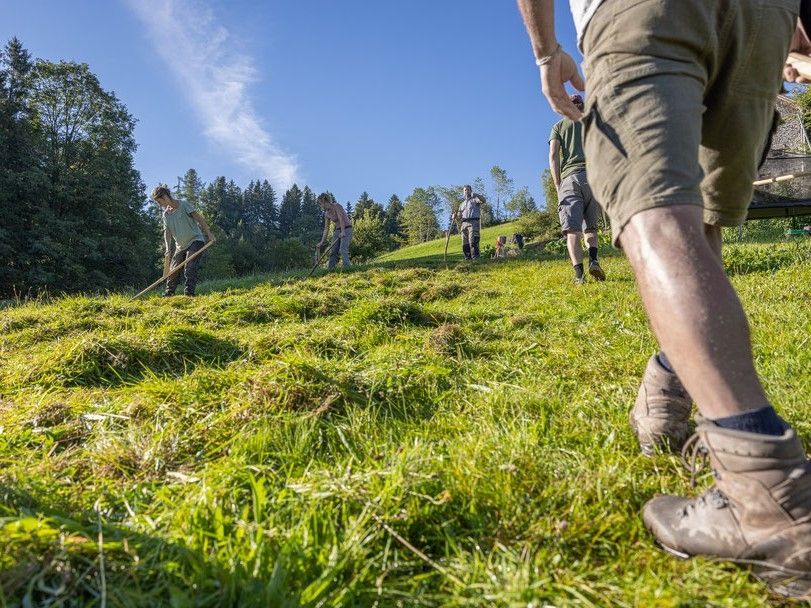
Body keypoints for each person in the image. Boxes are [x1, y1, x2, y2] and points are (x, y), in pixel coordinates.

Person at [517, 0, 810, 598]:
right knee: (701, 221)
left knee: (654, 214)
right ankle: (667, 392)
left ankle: (766, 496)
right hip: (763, 17)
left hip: (644, 11)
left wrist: (547, 52)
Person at [549, 94, 605, 284]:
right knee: (590, 227)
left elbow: (554, 155)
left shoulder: (559, 127)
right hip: (592, 177)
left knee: (572, 230)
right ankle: (594, 260)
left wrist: (557, 183)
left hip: (570, 179)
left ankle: (579, 275)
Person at [151, 184, 214, 297]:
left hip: (195, 240)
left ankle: (189, 294)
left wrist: (209, 234)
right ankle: (169, 293)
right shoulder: (166, 215)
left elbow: (199, 218)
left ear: (165, 197)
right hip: (180, 246)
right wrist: (167, 248)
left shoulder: (184, 205)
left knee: (189, 266)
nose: (159, 205)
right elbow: (167, 232)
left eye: (159, 202)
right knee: (173, 270)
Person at [316, 193, 353, 270]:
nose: (320, 206)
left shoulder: (337, 206)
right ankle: (330, 270)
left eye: (320, 204)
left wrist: (343, 232)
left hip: (347, 228)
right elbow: (326, 228)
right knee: (333, 251)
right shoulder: (326, 214)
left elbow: (341, 218)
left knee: (342, 249)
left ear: (324, 201)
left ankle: (348, 268)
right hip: (337, 231)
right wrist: (322, 242)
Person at [455, 185, 484, 260]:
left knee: (473, 240)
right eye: (465, 190)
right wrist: (454, 216)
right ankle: (467, 258)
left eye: (468, 190)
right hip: (464, 223)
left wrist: (476, 195)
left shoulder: (475, 199)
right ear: (463, 192)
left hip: (473, 222)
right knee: (465, 242)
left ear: (471, 191)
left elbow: (484, 200)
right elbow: (458, 216)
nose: (466, 191)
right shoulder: (461, 204)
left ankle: (475, 258)